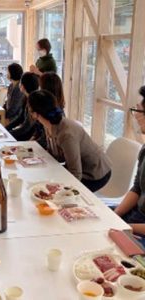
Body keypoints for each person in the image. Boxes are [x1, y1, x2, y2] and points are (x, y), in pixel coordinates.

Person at [28, 90, 111, 192]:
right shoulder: (49, 123)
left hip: (95, 173)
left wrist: (60, 191)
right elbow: (55, 156)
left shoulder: (66, 135)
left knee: (50, 191)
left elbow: (76, 174)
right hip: (79, 167)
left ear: (35, 113)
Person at [114, 86, 145, 237]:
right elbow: (137, 188)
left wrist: (127, 227)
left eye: (139, 111)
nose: (137, 117)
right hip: (135, 215)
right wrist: (115, 215)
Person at [32, 72, 66, 149]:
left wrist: (28, 145)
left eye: (40, 87)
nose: (38, 90)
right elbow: (37, 133)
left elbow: (44, 141)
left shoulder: (56, 114)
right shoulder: (45, 107)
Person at [6, 72, 39, 141]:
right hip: (25, 133)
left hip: (30, 137)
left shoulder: (34, 102)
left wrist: (8, 134)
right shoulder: (26, 98)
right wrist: (6, 129)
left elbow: (26, 128)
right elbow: (20, 118)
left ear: (23, 86)